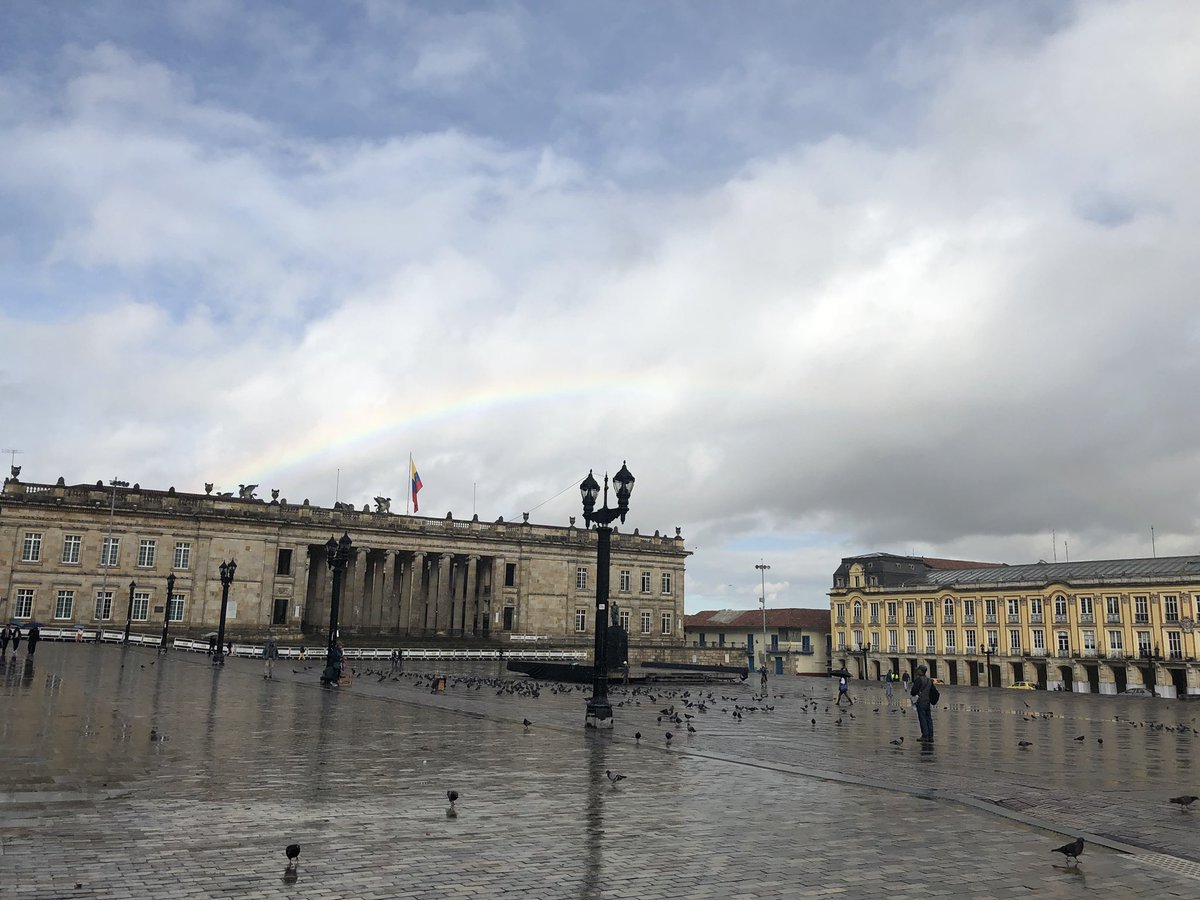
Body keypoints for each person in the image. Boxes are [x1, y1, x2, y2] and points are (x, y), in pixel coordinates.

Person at [911, 664, 934, 742]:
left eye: (918, 670)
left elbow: (913, 692)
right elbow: (933, 691)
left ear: (921, 671)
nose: (917, 671)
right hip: (927, 702)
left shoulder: (918, 680)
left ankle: (925, 735)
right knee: (929, 719)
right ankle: (930, 735)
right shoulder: (929, 680)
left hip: (920, 702)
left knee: (922, 719)